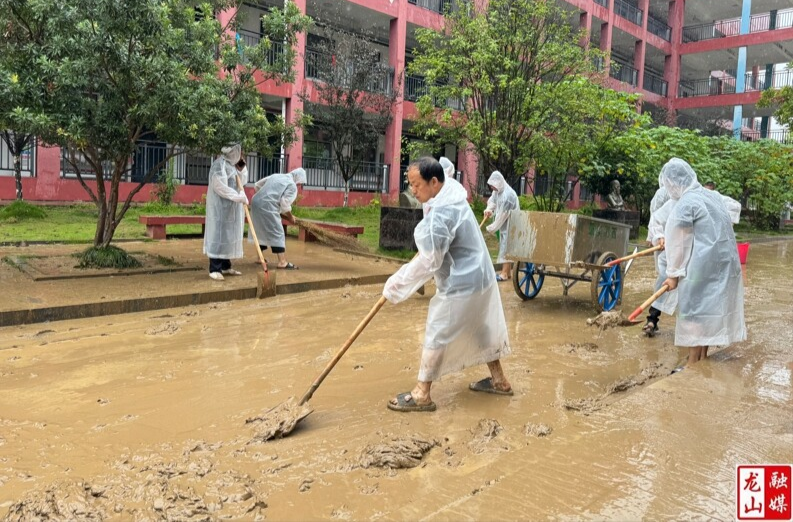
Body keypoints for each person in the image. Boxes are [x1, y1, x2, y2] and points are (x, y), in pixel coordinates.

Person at [383, 157, 513, 412]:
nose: (413, 190)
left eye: (416, 185)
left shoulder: (444, 210)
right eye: (410, 184)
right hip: (479, 277)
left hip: (463, 282)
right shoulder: (449, 194)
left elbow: (429, 261)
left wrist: (396, 284)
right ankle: (499, 381)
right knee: (481, 328)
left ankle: (422, 393)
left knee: (438, 330)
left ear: (434, 182)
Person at [660, 158, 746, 370]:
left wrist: (673, 273)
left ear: (674, 183)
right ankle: (701, 360)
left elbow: (678, 242)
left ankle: (691, 365)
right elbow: (734, 210)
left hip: (704, 266)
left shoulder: (686, 204)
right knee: (709, 312)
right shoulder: (712, 196)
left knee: (694, 315)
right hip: (726, 265)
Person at [204, 145, 249, 281]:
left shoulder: (232, 166)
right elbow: (219, 187)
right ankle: (214, 268)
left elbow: (243, 181)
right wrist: (238, 196)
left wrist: (241, 167)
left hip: (231, 209)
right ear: (233, 152)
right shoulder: (219, 165)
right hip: (219, 209)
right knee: (218, 235)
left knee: (228, 236)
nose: (241, 155)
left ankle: (225, 266)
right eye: (240, 153)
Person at [248, 168, 307, 270]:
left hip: (255, 202)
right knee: (277, 232)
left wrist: (264, 197)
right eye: (299, 183)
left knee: (260, 229)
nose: (298, 185)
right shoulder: (292, 185)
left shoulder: (277, 176)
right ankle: (282, 262)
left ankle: (260, 258)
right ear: (298, 179)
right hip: (267, 206)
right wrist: (290, 217)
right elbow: (284, 204)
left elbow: (257, 185)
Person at [643, 178, 678, 337]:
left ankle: (652, 320)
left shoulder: (684, 199)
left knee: (666, 281)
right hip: (667, 246)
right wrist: (656, 236)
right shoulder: (667, 197)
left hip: (675, 247)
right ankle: (652, 319)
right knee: (665, 281)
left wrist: (654, 236)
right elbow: (655, 217)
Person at [483, 170, 519, 281]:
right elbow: (492, 201)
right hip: (504, 223)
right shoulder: (497, 191)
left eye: (493, 186)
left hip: (511, 222)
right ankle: (507, 273)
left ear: (499, 183)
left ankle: (504, 273)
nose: (492, 188)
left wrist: (491, 228)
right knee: (504, 246)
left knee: (506, 247)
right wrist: (488, 210)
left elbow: (502, 216)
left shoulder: (508, 196)